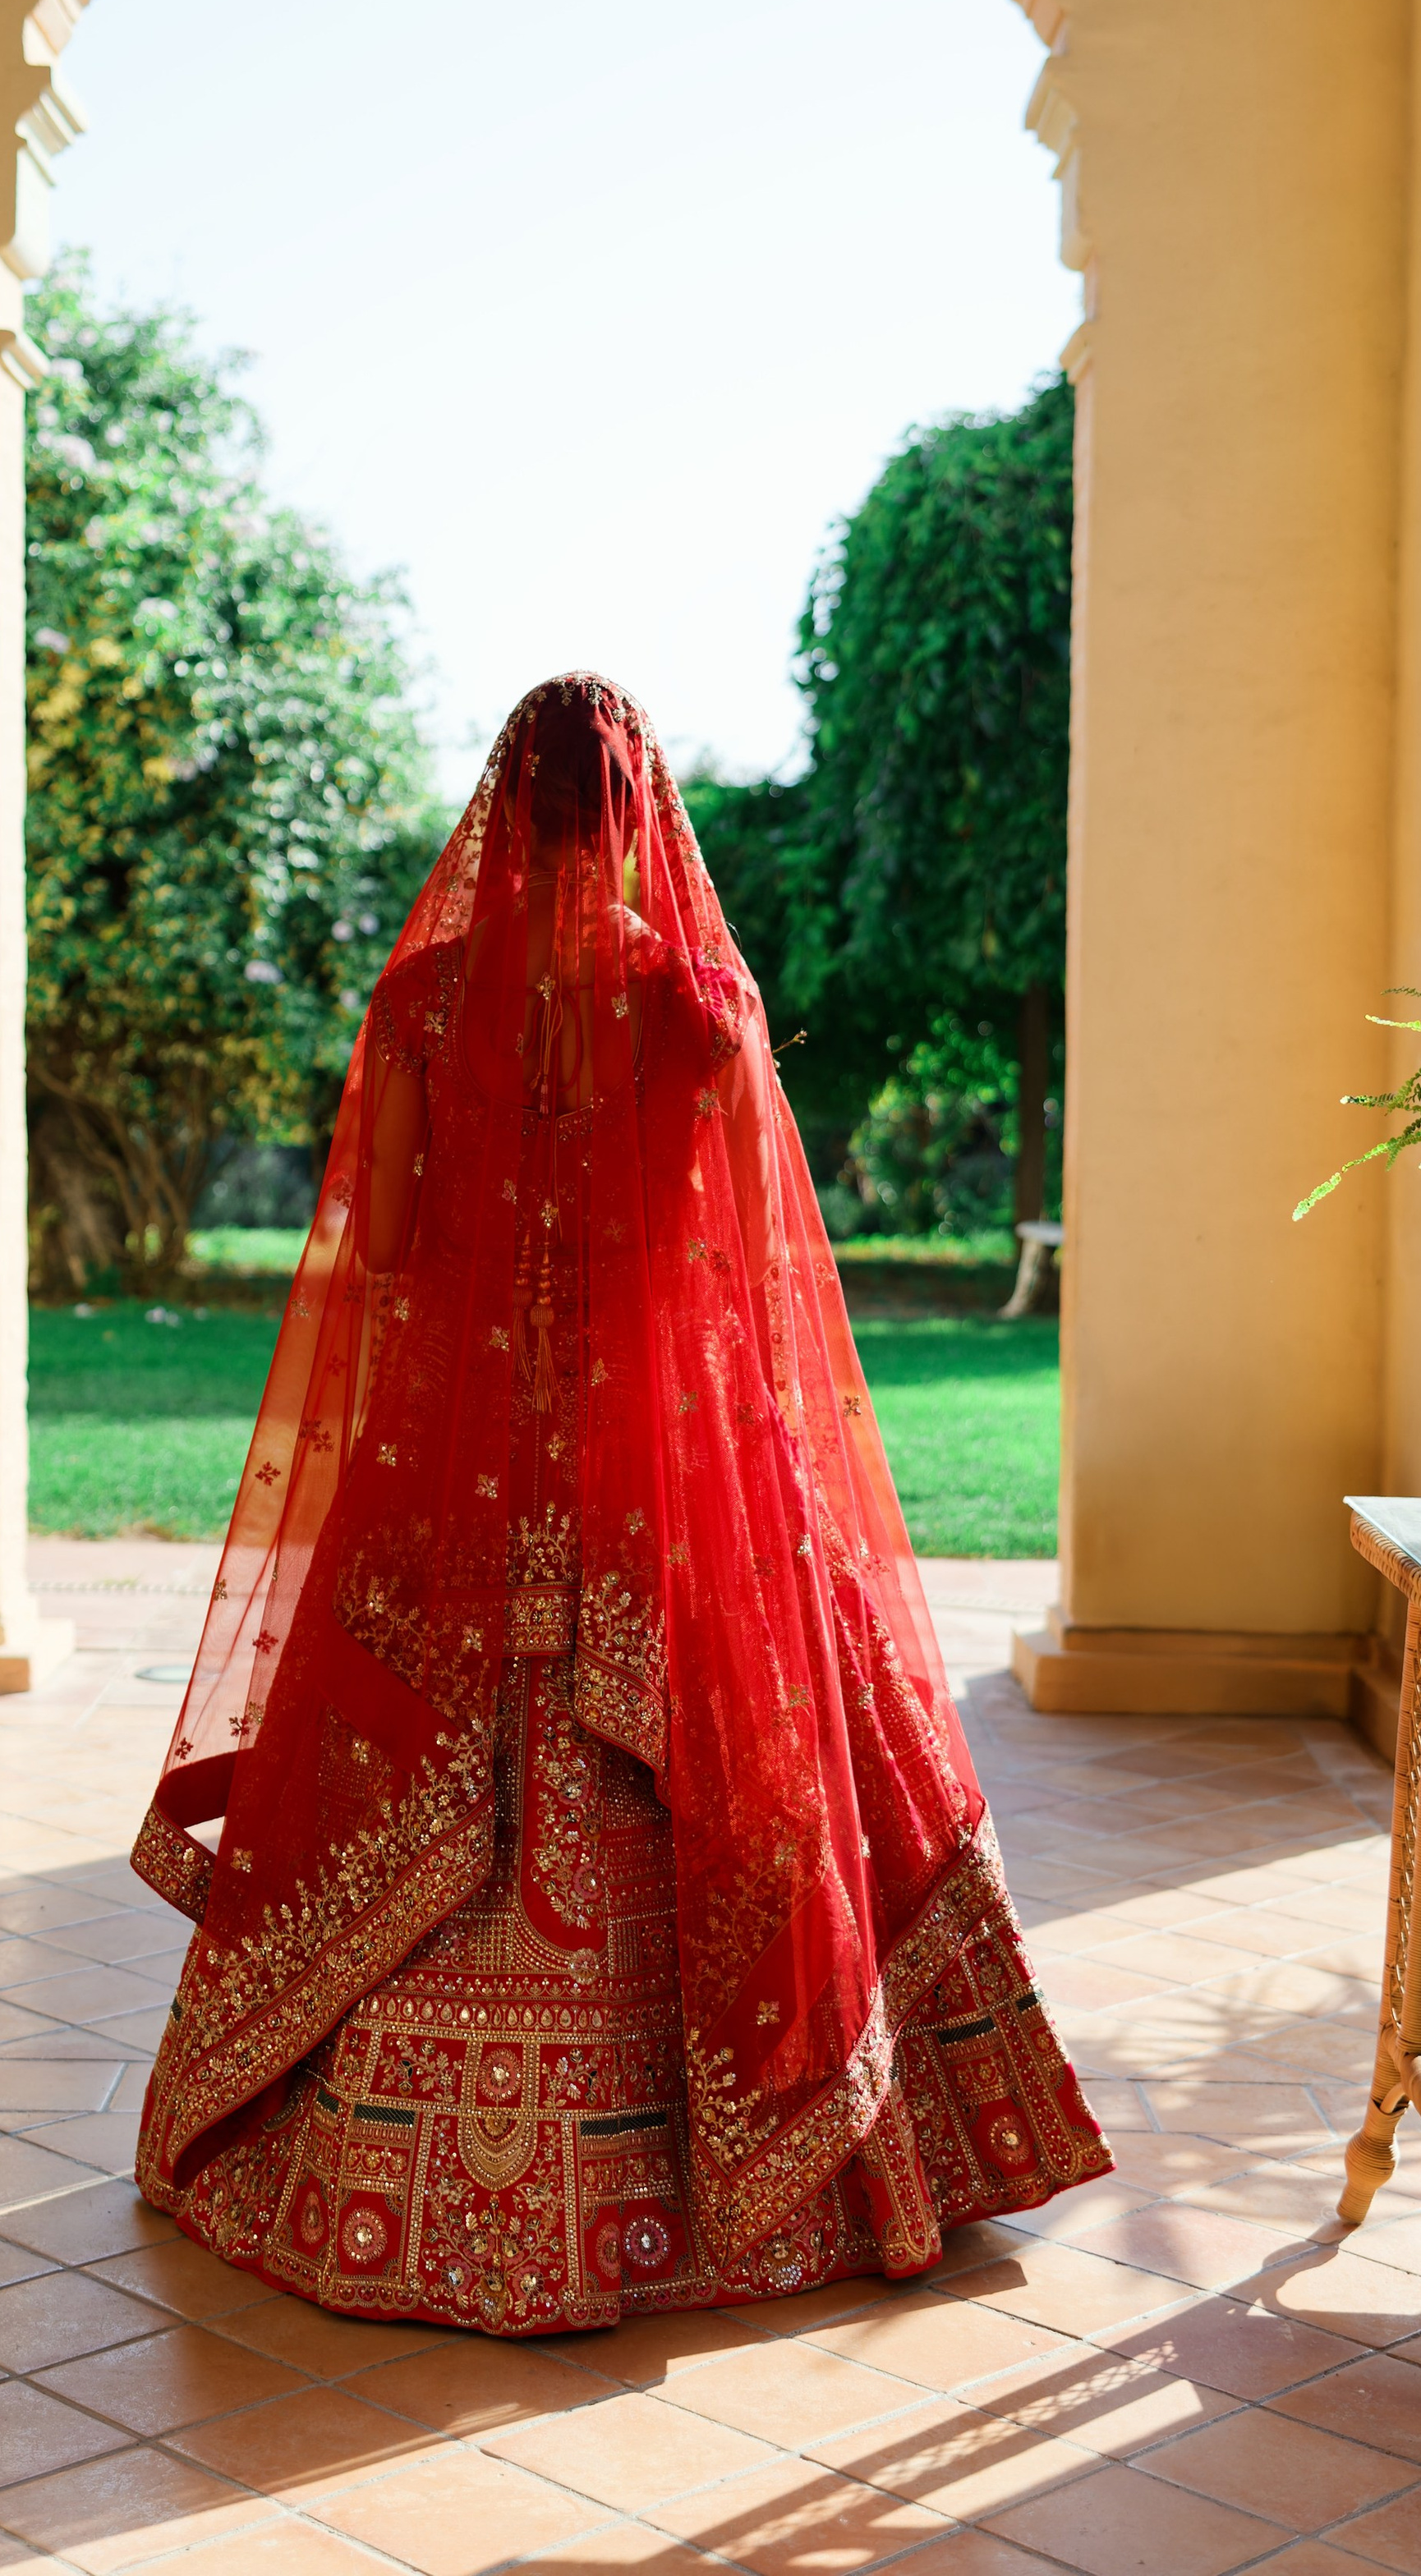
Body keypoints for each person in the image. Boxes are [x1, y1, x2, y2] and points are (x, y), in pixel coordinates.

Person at [131, 673, 1106, 2333]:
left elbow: (374, 1265)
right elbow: (752, 1275)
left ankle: (371, 2171)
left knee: (408, 1761)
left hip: (464, 1467)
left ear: (504, 806)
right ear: (641, 805)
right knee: (779, 1759)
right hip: (670, 1468)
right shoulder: (701, 1010)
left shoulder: (429, 999)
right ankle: (801, 2156)